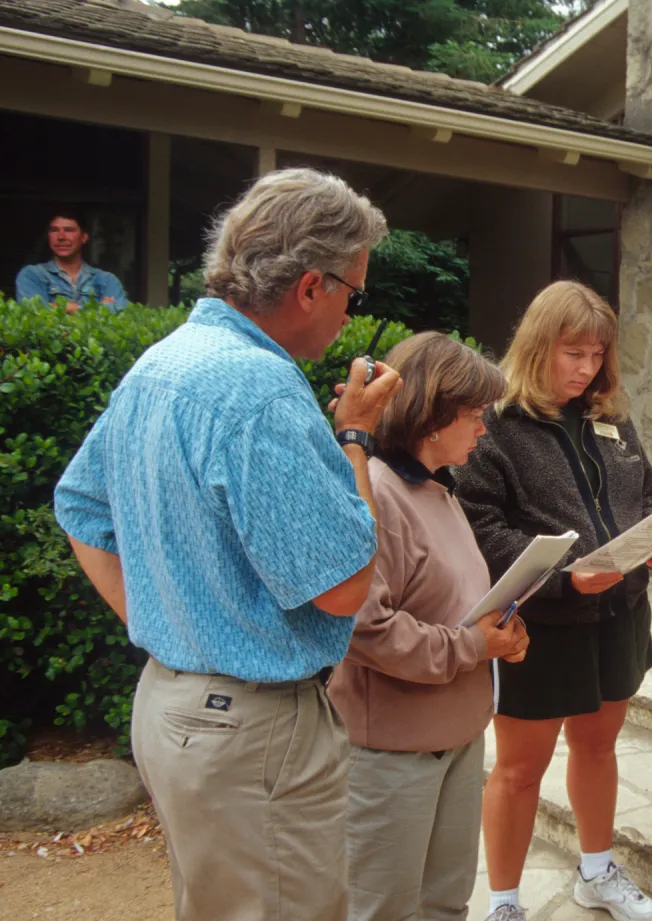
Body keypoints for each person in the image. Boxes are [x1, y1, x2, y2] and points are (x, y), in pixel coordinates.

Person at [53, 168, 400, 921]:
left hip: (172, 705)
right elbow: (343, 587)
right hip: (252, 728)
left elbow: (79, 507)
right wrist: (355, 438)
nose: (351, 312)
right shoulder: (261, 389)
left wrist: (168, 623)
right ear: (311, 285)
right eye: (353, 291)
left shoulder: (162, 363)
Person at [456, 281, 652, 921]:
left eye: (597, 354)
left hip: (618, 614)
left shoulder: (610, 416)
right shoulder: (495, 424)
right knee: (519, 770)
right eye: (573, 353)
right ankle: (504, 903)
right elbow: (477, 526)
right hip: (539, 627)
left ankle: (596, 871)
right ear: (538, 346)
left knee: (598, 747)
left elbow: (645, 495)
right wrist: (564, 578)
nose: (587, 369)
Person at [327, 332, 529, 921]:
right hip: (393, 755)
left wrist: (503, 631)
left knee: (446, 903)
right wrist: (473, 645)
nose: (484, 429)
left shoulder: (439, 491)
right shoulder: (376, 493)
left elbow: (450, 601)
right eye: (474, 415)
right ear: (432, 418)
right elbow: (366, 630)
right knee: (383, 909)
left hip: (458, 739)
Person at [15, 208, 129, 312]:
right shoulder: (32, 275)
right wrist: (99, 308)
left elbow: (119, 314)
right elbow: (35, 312)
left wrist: (59, 307)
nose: (61, 237)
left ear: (84, 237)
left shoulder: (106, 280)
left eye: (69, 230)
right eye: (54, 230)